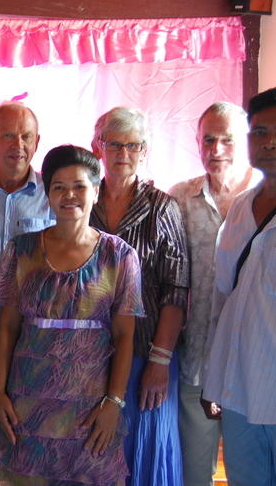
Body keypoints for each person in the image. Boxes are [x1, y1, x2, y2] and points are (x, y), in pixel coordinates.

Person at [0, 144, 143, 485]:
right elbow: (9, 327)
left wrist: (113, 403)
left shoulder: (119, 256)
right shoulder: (22, 249)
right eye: (59, 187)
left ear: (96, 191)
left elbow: (124, 336)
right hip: (27, 402)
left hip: (91, 407)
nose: (69, 195)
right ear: (48, 194)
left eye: (79, 186)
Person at [203, 87, 276, 485]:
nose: (270, 142)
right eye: (260, 132)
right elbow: (225, 301)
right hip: (239, 396)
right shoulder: (241, 210)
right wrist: (215, 381)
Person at [89, 107, 189, 486]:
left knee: (144, 454)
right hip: (92, 356)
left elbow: (176, 291)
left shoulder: (163, 208)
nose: (123, 154)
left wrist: (160, 361)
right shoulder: (83, 200)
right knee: (94, 451)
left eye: (133, 146)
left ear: (144, 150)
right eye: (115, 144)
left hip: (148, 354)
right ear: (98, 146)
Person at [168, 102, 256, 486]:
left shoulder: (267, 198)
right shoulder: (179, 198)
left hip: (254, 367)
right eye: (209, 139)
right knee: (193, 474)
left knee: (252, 474)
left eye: (227, 140)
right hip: (197, 360)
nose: (216, 149)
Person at [0, 102, 55, 441]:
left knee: (25, 435)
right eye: (7, 135)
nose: (17, 145)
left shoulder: (55, 196)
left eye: (26, 136)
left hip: (33, 344)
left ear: (37, 142)